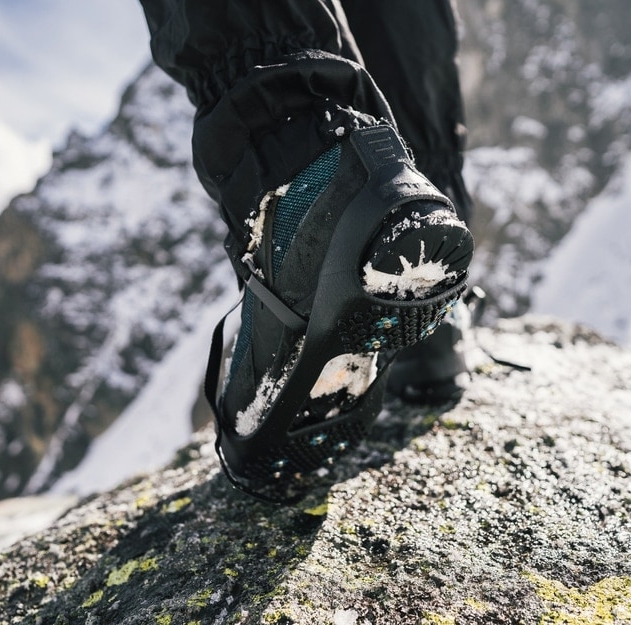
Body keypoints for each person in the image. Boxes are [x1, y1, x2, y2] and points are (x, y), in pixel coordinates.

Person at [138, 0, 475, 501]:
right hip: (421, 178)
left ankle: (306, 173)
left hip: (299, 146)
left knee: (301, 136)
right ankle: (403, 207)